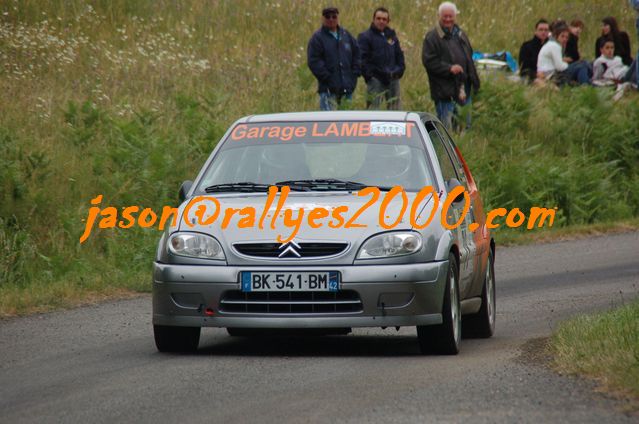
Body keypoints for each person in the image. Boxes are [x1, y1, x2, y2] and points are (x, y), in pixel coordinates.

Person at [422, 2, 479, 130]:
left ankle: (463, 149)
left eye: (450, 16)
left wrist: (474, 80)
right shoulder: (432, 37)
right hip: (444, 92)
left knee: (464, 128)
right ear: (439, 16)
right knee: (446, 131)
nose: (448, 19)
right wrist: (449, 68)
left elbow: (469, 57)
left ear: (455, 16)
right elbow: (429, 61)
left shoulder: (460, 34)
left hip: (464, 90)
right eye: (445, 16)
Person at [307, 7, 361, 111]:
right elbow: (313, 61)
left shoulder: (346, 35)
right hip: (328, 90)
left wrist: (355, 73)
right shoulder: (317, 38)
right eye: (328, 17)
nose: (331, 19)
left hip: (347, 88)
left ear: (338, 18)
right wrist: (327, 77)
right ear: (323, 19)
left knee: (346, 123)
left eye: (334, 16)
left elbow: (357, 53)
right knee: (329, 123)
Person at [358, 7, 406, 110]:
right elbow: (362, 60)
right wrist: (370, 77)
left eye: (384, 19)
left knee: (395, 112)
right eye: (378, 18)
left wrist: (398, 72)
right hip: (376, 80)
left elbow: (399, 56)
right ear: (373, 19)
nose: (381, 21)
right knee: (373, 112)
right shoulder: (365, 37)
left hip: (393, 79)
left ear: (388, 21)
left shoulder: (392, 36)